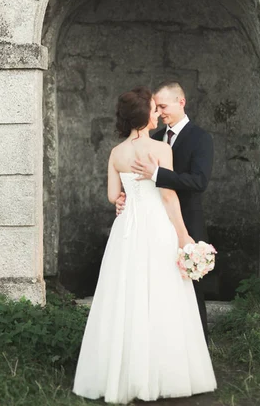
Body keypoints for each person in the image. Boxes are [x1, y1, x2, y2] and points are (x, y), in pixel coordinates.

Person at [73, 86, 216, 404]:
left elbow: (113, 196)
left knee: (126, 296)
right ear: (144, 116)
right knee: (162, 297)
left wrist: (123, 199)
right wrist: (183, 235)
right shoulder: (160, 150)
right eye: (154, 109)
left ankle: (122, 373)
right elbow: (168, 196)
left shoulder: (116, 153)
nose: (158, 114)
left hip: (126, 230)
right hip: (156, 228)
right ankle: (160, 372)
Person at [117, 81, 214, 341]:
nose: (159, 113)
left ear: (181, 102)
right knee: (160, 287)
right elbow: (138, 181)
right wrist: (123, 197)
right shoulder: (155, 138)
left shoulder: (200, 137)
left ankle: (198, 344)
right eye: (155, 108)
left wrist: (159, 174)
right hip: (155, 222)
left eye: (163, 106)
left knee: (191, 285)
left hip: (187, 218)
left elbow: (199, 182)